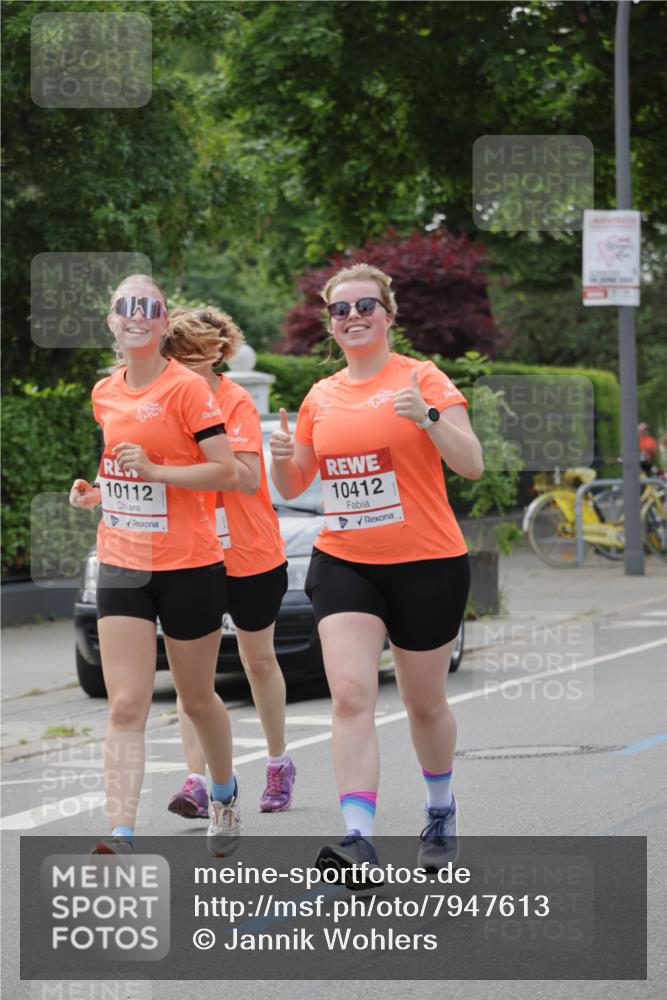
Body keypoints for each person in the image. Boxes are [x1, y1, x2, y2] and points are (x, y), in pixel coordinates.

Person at [270, 263, 483, 885]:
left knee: (422, 702)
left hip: (427, 562)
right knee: (352, 696)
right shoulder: (320, 396)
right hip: (346, 562)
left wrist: (431, 419)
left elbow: (471, 464)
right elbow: (294, 484)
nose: (354, 316)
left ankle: (440, 812)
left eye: (367, 305)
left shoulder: (422, 378)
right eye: (341, 310)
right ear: (330, 325)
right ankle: (358, 840)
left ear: (389, 314)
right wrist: (282, 459)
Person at [69, 274, 241, 855]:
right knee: (125, 702)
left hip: (189, 563)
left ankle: (223, 791)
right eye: (125, 307)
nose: (136, 315)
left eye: (149, 308)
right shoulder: (104, 392)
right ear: (112, 322)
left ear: (164, 323)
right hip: (122, 560)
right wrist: (96, 490)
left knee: (195, 699)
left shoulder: (188, 389)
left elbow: (227, 471)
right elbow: (118, 461)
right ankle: (120, 831)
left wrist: (158, 472)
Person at [161, 307, 295, 814]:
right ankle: (197, 778)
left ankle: (279, 763)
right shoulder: (164, 401)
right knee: (192, 675)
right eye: (178, 355)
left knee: (257, 660)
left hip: (249, 548)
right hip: (192, 553)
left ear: (220, 354)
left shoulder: (232, 399)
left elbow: (246, 478)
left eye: (199, 355)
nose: (188, 365)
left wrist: (193, 461)